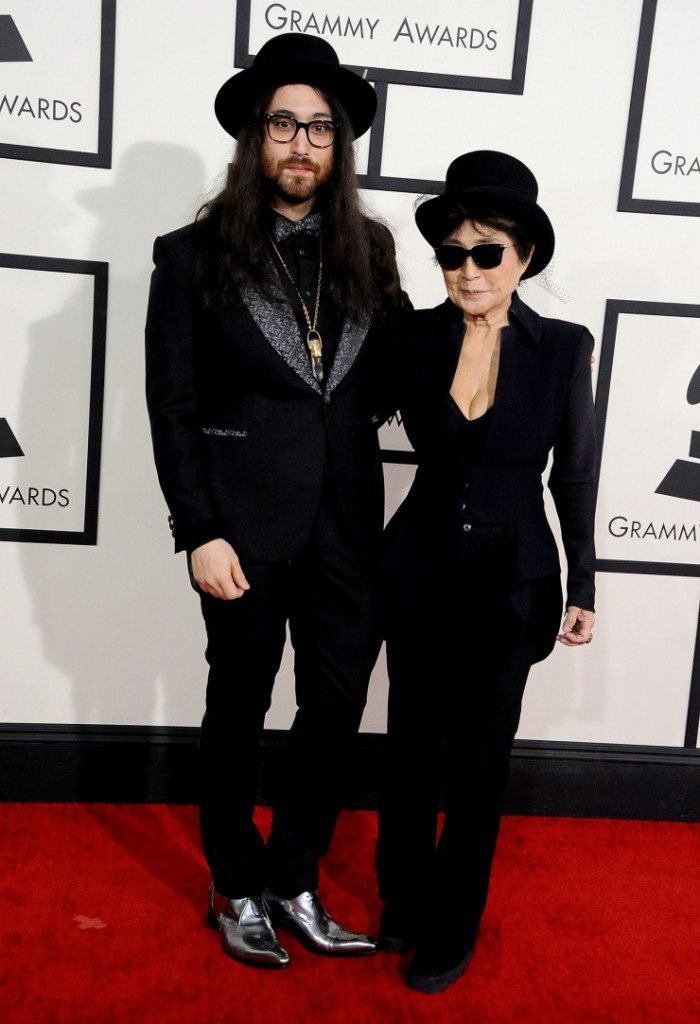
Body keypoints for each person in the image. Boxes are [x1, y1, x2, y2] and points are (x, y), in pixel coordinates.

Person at [145, 33, 407, 969]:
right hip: (242, 529)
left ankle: (294, 877)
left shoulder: (368, 247)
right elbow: (170, 404)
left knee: (335, 707)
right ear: (256, 137)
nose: (303, 143)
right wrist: (198, 528)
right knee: (238, 707)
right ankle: (234, 881)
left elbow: (387, 373)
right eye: (286, 123)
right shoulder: (189, 255)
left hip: (346, 521)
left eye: (321, 129)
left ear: (338, 149)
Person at [375, 151, 597, 994]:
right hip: (419, 567)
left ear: (524, 258)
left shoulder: (562, 347)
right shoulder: (414, 337)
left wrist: (582, 583)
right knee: (407, 751)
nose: (466, 270)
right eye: (451, 253)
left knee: (477, 761)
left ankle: (453, 924)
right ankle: (401, 902)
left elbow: (573, 473)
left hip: (513, 581)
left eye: (486, 252)